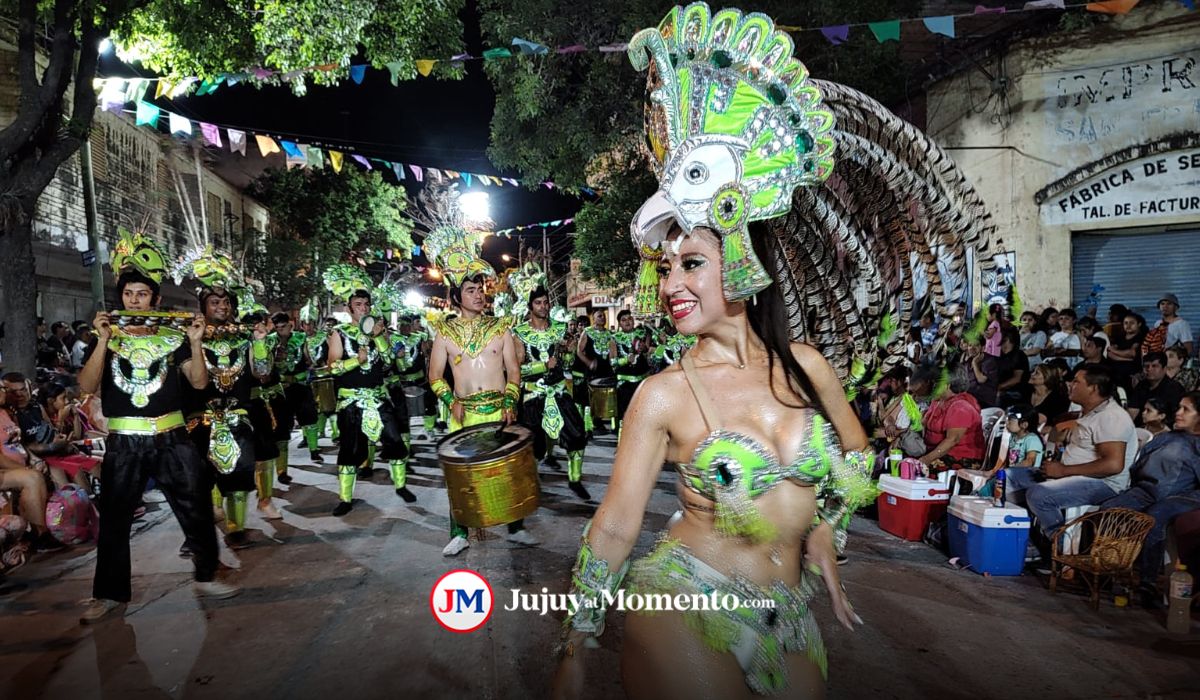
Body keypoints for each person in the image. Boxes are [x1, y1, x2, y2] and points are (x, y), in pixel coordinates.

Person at [553, 7, 991, 693]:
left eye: (690, 263)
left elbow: (856, 458)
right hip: (682, 596)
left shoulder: (805, 365)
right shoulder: (663, 393)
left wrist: (824, 529)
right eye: (666, 268)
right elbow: (615, 526)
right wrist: (576, 643)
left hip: (789, 612)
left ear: (744, 260)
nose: (672, 283)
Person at [77, 230, 239, 624]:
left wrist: (197, 343)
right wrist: (101, 340)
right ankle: (109, 595)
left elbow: (200, 383)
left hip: (172, 438)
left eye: (142, 294)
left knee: (197, 506)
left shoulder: (174, 338)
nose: (134, 300)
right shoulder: (109, 338)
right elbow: (85, 386)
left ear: (156, 299)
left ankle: (207, 571)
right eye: (129, 294)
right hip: (125, 442)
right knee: (115, 519)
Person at [429, 271, 528, 554]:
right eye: (471, 290)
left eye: (480, 289)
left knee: (508, 471)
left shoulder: (501, 328)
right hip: (464, 414)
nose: (478, 294)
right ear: (458, 297)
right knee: (461, 479)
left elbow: (514, 371)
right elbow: (435, 376)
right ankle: (459, 533)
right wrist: (451, 400)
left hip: (498, 410)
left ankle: (516, 527)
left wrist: (510, 402)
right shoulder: (445, 332)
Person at [180, 268, 276, 550]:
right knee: (199, 477)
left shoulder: (245, 338)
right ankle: (196, 534)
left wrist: (260, 344)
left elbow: (262, 373)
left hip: (238, 417)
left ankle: (237, 529)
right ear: (203, 307)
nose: (221, 307)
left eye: (226, 302)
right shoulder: (188, 339)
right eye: (214, 302)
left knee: (241, 471)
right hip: (200, 419)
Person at [1006, 364, 1138, 541]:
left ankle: (1059, 550)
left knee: (1039, 495)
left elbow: (1113, 465)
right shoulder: (1089, 412)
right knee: (1007, 478)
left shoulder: (1111, 417)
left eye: (1076, 381)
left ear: (1093, 388)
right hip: (1072, 474)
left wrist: (1062, 471)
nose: (1070, 384)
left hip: (1103, 483)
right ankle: (1021, 536)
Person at [1098, 391, 1200, 607]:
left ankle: (1148, 581)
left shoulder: (1196, 445)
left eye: (1186, 410)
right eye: (1179, 407)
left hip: (1183, 495)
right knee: (1110, 509)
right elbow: (1138, 467)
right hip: (1147, 489)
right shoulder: (1166, 437)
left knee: (1155, 516)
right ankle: (1110, 570)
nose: (1179, 413)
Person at [324, 269, 410, 517]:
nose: (363, 308)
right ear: (349, 308)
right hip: (351, 400)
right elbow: (332, 366)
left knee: (395, 439)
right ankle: (345, 498)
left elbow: (388, 361)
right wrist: (356, 361)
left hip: (378, 396)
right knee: (350, 450)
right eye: (358, 304)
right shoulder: (338, 333)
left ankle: (401, 485)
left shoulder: (380, 331)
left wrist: (380, 338)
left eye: (366, 304)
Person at [513, 285, 590, 500]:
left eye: (546, 302)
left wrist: (569, 352)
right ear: (530, 307)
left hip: (558, 391)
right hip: (533, 395)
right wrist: (541, 366)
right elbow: (515, 369)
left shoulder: (559, 328)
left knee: (577, 435)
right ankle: (531, 486)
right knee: (531, 446)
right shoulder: (520, 333)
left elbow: (566, 361)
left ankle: (575, 480)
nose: (543, 306)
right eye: (538, 303)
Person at [268, 311, 322, 477]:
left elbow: (308, 360)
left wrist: (310, 367)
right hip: (280, 389)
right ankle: (282, 470)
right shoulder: (270, 341)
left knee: (310, 417)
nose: (280, 330)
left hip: (299, 385)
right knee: (282, 428)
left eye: (283, 327)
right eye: (277, 328)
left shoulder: (300, 338)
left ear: (290, 325)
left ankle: (314, 450)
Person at [920, 368, 986, 471]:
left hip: (960, 457)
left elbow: (952, 440)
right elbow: (922, 423)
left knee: (915, 467)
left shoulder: (961, 407)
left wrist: (925, 459)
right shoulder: (938, 402)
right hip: (936, 452)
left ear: (947, 385)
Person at [609, 310, 651, 436]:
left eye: (629, 319)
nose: (627, 322)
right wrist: (625, 360)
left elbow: (650, 354)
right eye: (623, 320)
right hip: (625, 383)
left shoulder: (643, 334)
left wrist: (646, 349)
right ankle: (624, 442)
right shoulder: (614, 338)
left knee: (642, 412)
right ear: (619, 324)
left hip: (642, 381)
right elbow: (612, 362)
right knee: (625, 413)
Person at [1127, 352, 1185, 427]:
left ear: (1164, 369)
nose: (1149, 369)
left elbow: (1175, 418)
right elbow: (1132, 411)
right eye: (1146, 366)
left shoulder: (1175, 389)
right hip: (1140, 428)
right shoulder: (1141, 385)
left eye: (1154, 366)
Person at [1109, 312, 1147, 387]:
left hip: (1131, 374)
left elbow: (1132, 353)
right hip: (1115, 372)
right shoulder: (1119, 338)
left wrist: (1116, 353)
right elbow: (1110, 353)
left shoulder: (1141, 337)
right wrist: (1128, 359)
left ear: (1139, 324)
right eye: (1126, 323)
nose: (1128, 326)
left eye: (1132, 323)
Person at [1149, 293, 1193, 357]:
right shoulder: (1158, 323)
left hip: (1173, 360)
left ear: (1176, 307)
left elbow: (1188, 348)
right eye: (1162, 304)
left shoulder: (1182, 324)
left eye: (1169, 304)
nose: (1165, 306)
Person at [995, 326, 1030, 407]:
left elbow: (1017, 379)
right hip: (1000, 389)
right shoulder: (999, 355)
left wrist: (998, 387)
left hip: (1015, 391)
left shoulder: (1020, 356)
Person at [1001, 404, 1043, 470]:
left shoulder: (1032, 439)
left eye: (1010, 420)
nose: (1007, 422)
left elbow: (1030, 461)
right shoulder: (1012, 437)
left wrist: (1010, 470)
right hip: (1013, 473)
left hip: (1027, 476)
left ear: (1024, 425)